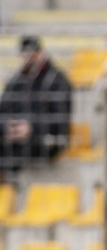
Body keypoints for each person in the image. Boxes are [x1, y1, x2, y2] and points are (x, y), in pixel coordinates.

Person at [0, 36, 72, 177]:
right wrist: (7, 127)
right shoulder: (15, 81)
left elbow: (60, 121)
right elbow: (2, 111)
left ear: (40, 54)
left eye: (33, 55)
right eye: (26, 55)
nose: (29, 59)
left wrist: (31, 129)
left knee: (24, 148)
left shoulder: (57, 81)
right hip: (14, 138)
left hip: (44, 138)